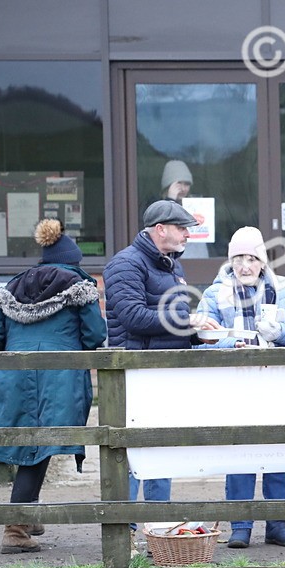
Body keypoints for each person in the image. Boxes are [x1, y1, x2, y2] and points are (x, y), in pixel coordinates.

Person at [0, 219, 106, 554]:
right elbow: (95, 336)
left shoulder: (13, 286)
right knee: (39, 446)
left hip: (15, 374)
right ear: (73, 259)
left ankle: (27, 512)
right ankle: (15, 529)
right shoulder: (79, 284)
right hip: (59, 376)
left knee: (29, 443)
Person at [196, 227, 285, 547]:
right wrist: (234, 343)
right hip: (236, 386)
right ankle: (240, 525)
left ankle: (278, 523)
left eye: (252, 258)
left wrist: (279, 331)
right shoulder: (214, 294)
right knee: (240, 452)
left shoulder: (284, 289)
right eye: (239, 259)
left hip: (278, 384)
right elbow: (200, 339)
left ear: (263, 261)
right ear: (231, 261)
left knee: (278, 452)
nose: (245, 266)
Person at [104, 199, 218, 506]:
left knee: (161, 449)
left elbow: (172, 320)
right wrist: (187, 321)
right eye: (181, 228)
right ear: (160, 229)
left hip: (164, 371)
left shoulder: (173, 266)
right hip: (136, 372)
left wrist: (198, 334)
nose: (187, 235)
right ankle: (123, 530)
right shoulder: (125, 264)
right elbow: (133, 318)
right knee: (130, 453)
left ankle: (158, 526)